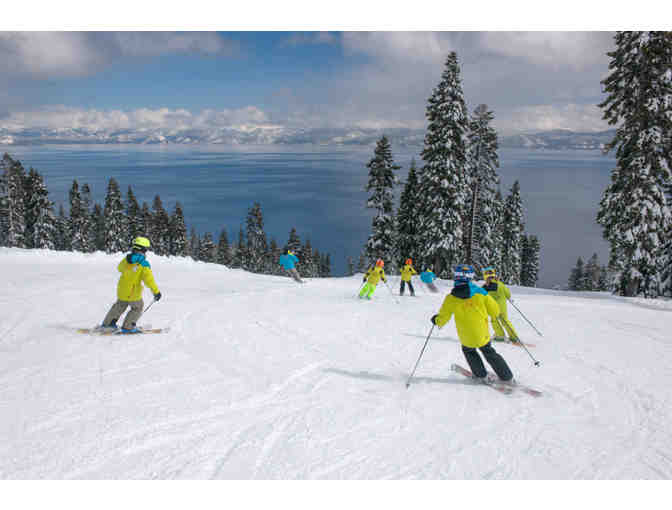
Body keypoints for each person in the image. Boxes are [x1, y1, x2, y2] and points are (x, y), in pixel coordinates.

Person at [430, 264, 514, 382]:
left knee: (469, 351)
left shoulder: (451, 298)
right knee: (488, 351)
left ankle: (480, 375)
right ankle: (506, 376)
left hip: (465, 335)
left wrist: (436, 320)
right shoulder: (481, 292)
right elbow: (495, 311)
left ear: (456, 277)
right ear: (470, 277)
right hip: (481, 333)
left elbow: (443, 316)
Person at [100, 236, 162, 334]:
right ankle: (128, 326)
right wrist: (156, 292)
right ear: (144, 250)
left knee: (119, 306)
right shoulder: (143, 264)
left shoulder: (127, 259)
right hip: (133, 293)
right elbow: (149, 281)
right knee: (137, 307)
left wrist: (129, 262)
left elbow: (120, 268)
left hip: (122, 290)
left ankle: (107, 324)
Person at [481, 266, 521, 344]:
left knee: (494, 320)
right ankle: (513, 336)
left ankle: (500, 335)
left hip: (493, 307)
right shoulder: (500, 284)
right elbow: (507, 293)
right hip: (502, 306)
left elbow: (481, 295)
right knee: (504, 321)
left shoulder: (485, 286)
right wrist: (509, 298)